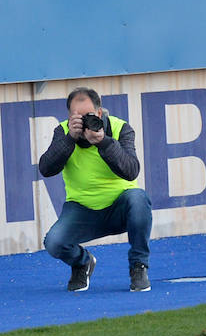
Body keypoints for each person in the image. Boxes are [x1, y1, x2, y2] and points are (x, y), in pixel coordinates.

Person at [39, 87, 152, 292]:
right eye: (78, 117)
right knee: (54, 242)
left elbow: (131, 171)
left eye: (89, 116)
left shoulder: (120, 128)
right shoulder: (63, 132)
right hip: (82, 210)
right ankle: (82, 262)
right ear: (70, 116)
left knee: (138, 198)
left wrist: (104, 142)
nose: (84, 122)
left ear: (99, 113)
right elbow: (46, 169)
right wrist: (69, 140)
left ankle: (139, 266)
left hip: (120, 206)